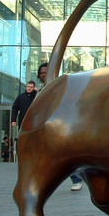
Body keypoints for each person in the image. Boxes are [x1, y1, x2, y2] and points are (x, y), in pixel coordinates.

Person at [37, 62, 82, 191]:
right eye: (41, 73)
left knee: (63, 155)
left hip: (60, 127)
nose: (43, 75)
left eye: (45, 72)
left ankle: (77, 179)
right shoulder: (40, 90)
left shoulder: (61, 87)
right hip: (44, 127)